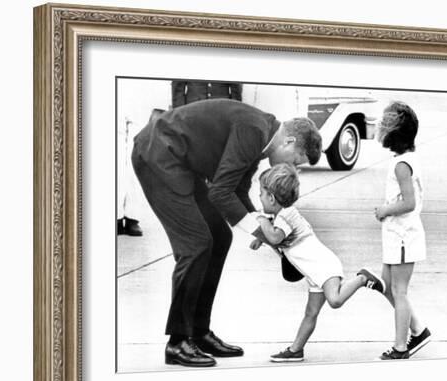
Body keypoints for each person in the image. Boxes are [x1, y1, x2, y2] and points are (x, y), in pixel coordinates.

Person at [131, 98, 322, 367]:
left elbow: (236, 190)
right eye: (297, 161)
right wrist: (262, 231)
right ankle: (177, 341)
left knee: (220, 237)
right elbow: (220, 193)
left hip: (180, 162)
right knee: (196, 245)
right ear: (289, 141)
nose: (293, 168)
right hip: (158, 155)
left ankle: (198, 332)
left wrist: (270, 236)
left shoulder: (262, 138)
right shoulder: (253, 131)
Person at [249, 163, 386, 362]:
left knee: (335, 301)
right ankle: (296, 350)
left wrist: (260, 220)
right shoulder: (280, 216)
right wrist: (261, 238)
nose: (259, 197)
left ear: (271, 197)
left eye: (261, 193)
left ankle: (362, 278)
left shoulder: (287, 214)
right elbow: (275, 235)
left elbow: (277, 238)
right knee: (310, 312)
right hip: (314, 274)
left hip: (324, 266)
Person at [374, 101, 431, 360]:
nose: (380, 129)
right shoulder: (404, 160)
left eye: (385, 125)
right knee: (387, 286)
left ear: (393, 134)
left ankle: (400, 347)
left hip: (403, 237)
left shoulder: (401, 165)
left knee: (399, 291)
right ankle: (418, 330)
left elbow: (409, 203)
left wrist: (385, 210)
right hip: (397, 236)